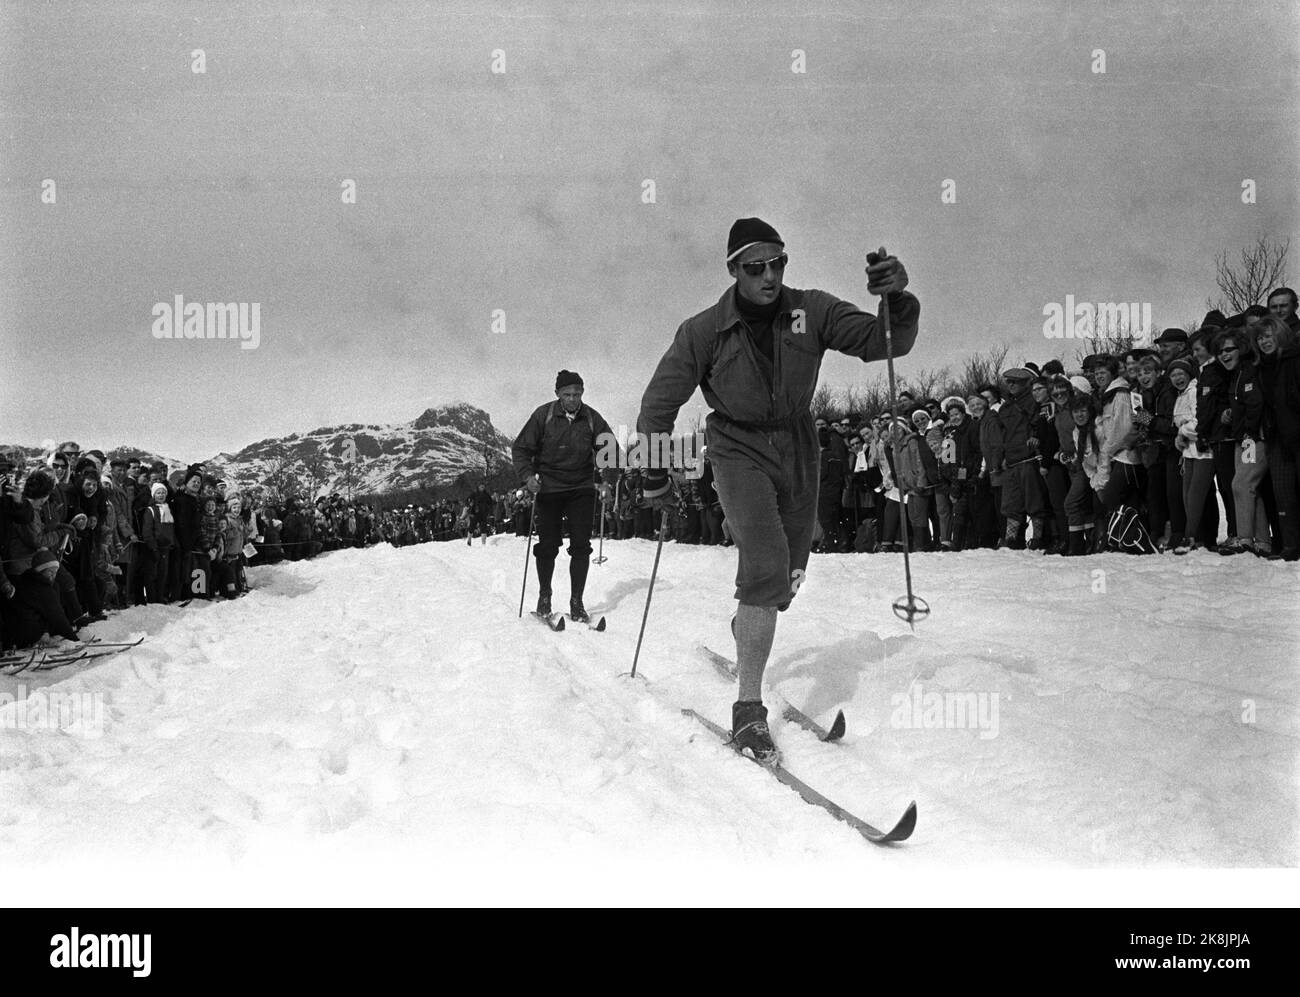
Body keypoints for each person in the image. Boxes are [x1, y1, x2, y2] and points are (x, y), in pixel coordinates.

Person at [635, 217, 918, 763]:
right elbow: (658, 404)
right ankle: (747, 710)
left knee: (788, 574)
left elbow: (884, 343)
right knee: (764, 563)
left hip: (797, 441)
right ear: (734, 271)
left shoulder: (811, 310)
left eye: (778, 262)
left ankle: (749, 622)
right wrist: (653, 473)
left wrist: (897, 298)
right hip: (736, 446)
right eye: (755, 266)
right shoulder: (703, 331)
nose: (770, 275)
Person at [512, 369, 617, 623]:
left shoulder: (591, 418)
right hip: (548, 488)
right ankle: (544, 597)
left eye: (577, 394)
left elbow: (610, 449)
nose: (573, 399)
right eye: (567, 394)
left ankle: (577, 602)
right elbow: (521, 448)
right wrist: (528, 477)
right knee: (548, 546)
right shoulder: (543, 415)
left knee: (581, 546)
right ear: (557, 394)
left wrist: (607, 481)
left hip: (581, 487)